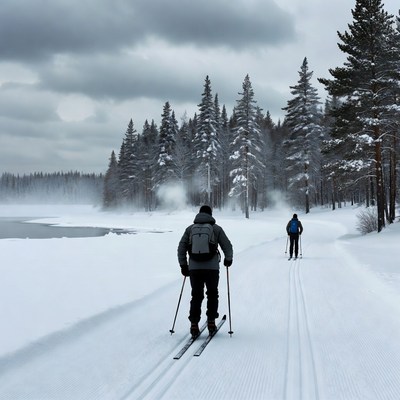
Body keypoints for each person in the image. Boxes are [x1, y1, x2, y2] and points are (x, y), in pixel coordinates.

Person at [177, 205, 233, 337]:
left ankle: (194, 324)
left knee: (196, 295)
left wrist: (183, 265)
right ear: (211, 214)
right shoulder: (216, 229)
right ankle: (211, 322)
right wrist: (228, 259)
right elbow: (227, 245)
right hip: (212, 268)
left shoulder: (190, 229)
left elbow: (181, 247)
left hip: (194, 268)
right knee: (212, 294)